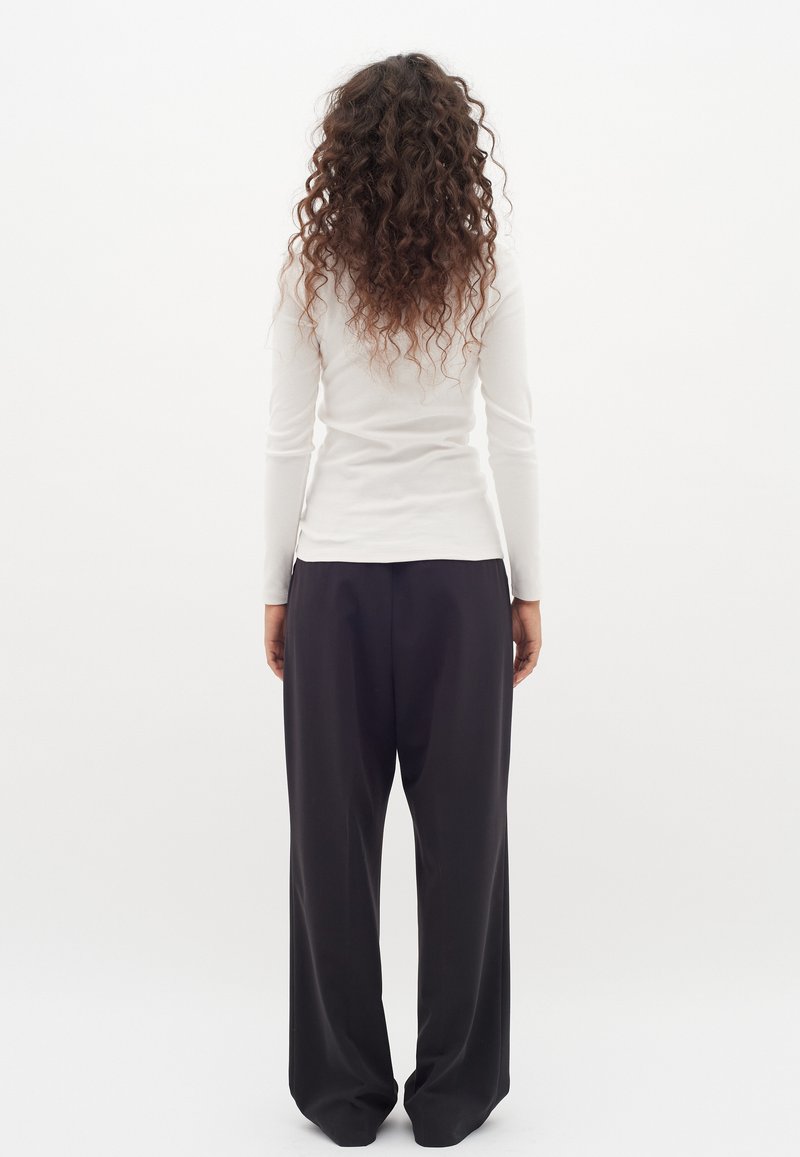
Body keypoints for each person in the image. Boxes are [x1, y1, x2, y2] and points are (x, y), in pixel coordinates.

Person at [262, 51, 543, 1149]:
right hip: (461, 584)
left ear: (345, 157)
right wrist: (528, 584)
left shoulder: (311, 271)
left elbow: (286, 440)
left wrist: (273, 586)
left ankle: (342, 1093)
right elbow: (513, 437)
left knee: (330, 847)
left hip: (332, 579)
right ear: (454, 155)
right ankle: (453, 1092)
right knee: (465, 840)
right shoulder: (485, 269)